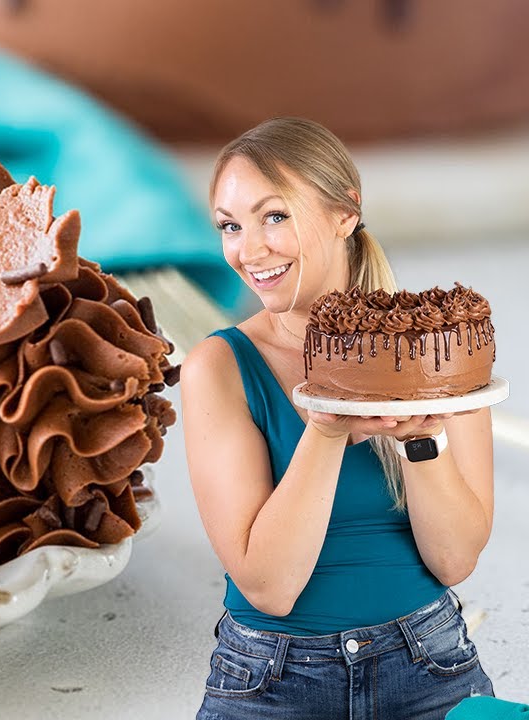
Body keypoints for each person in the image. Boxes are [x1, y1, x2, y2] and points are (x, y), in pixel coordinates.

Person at [181, 117, 496, 719]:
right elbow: (268, 586)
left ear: (344, 213)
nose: (249, 251)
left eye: (274, 216)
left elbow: (454, 560)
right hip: (270, 678)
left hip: (430, 663)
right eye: (230, 226)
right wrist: (327, 427)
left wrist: (422, 439)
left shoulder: (437, 349)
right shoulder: (219, 367)